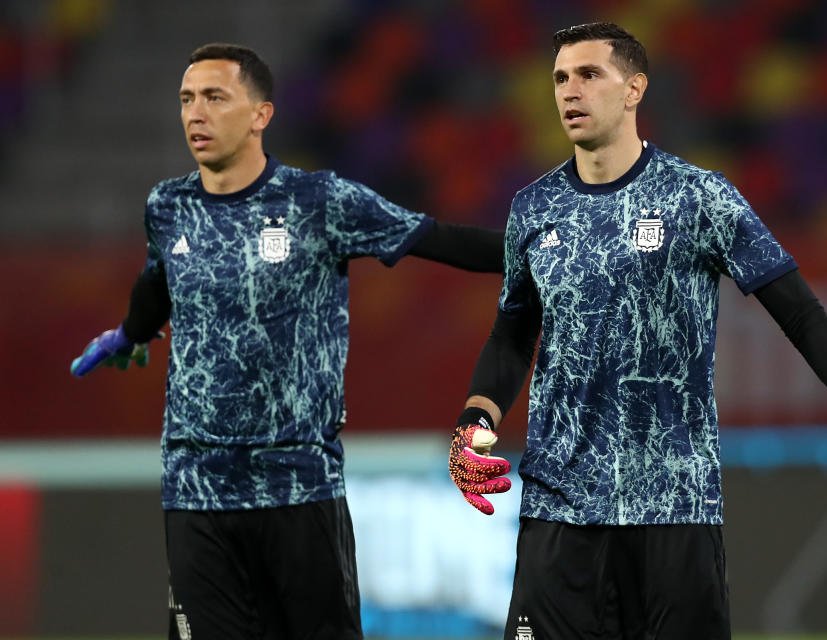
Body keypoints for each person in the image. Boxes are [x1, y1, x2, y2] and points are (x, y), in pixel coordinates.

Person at [447, 22, 827, 640]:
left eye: (589, 74)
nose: (570, 90)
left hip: (674, 509)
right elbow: (512, 335)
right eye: (561, 78)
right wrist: (476, 417)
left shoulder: (699, 196)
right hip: (558, 514)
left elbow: (801, 315)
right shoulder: (532, 208)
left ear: (634, 89)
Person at [70, 43, 503, 640]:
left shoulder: (319, 202)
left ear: (260, 114)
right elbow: (157, 280)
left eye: (215, 98)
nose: (196, 113)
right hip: (197, 488)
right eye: (187, 100)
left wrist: (550, 256)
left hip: (298, 485)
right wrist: (130, 334)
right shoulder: (168, 206)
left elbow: (440, 239)